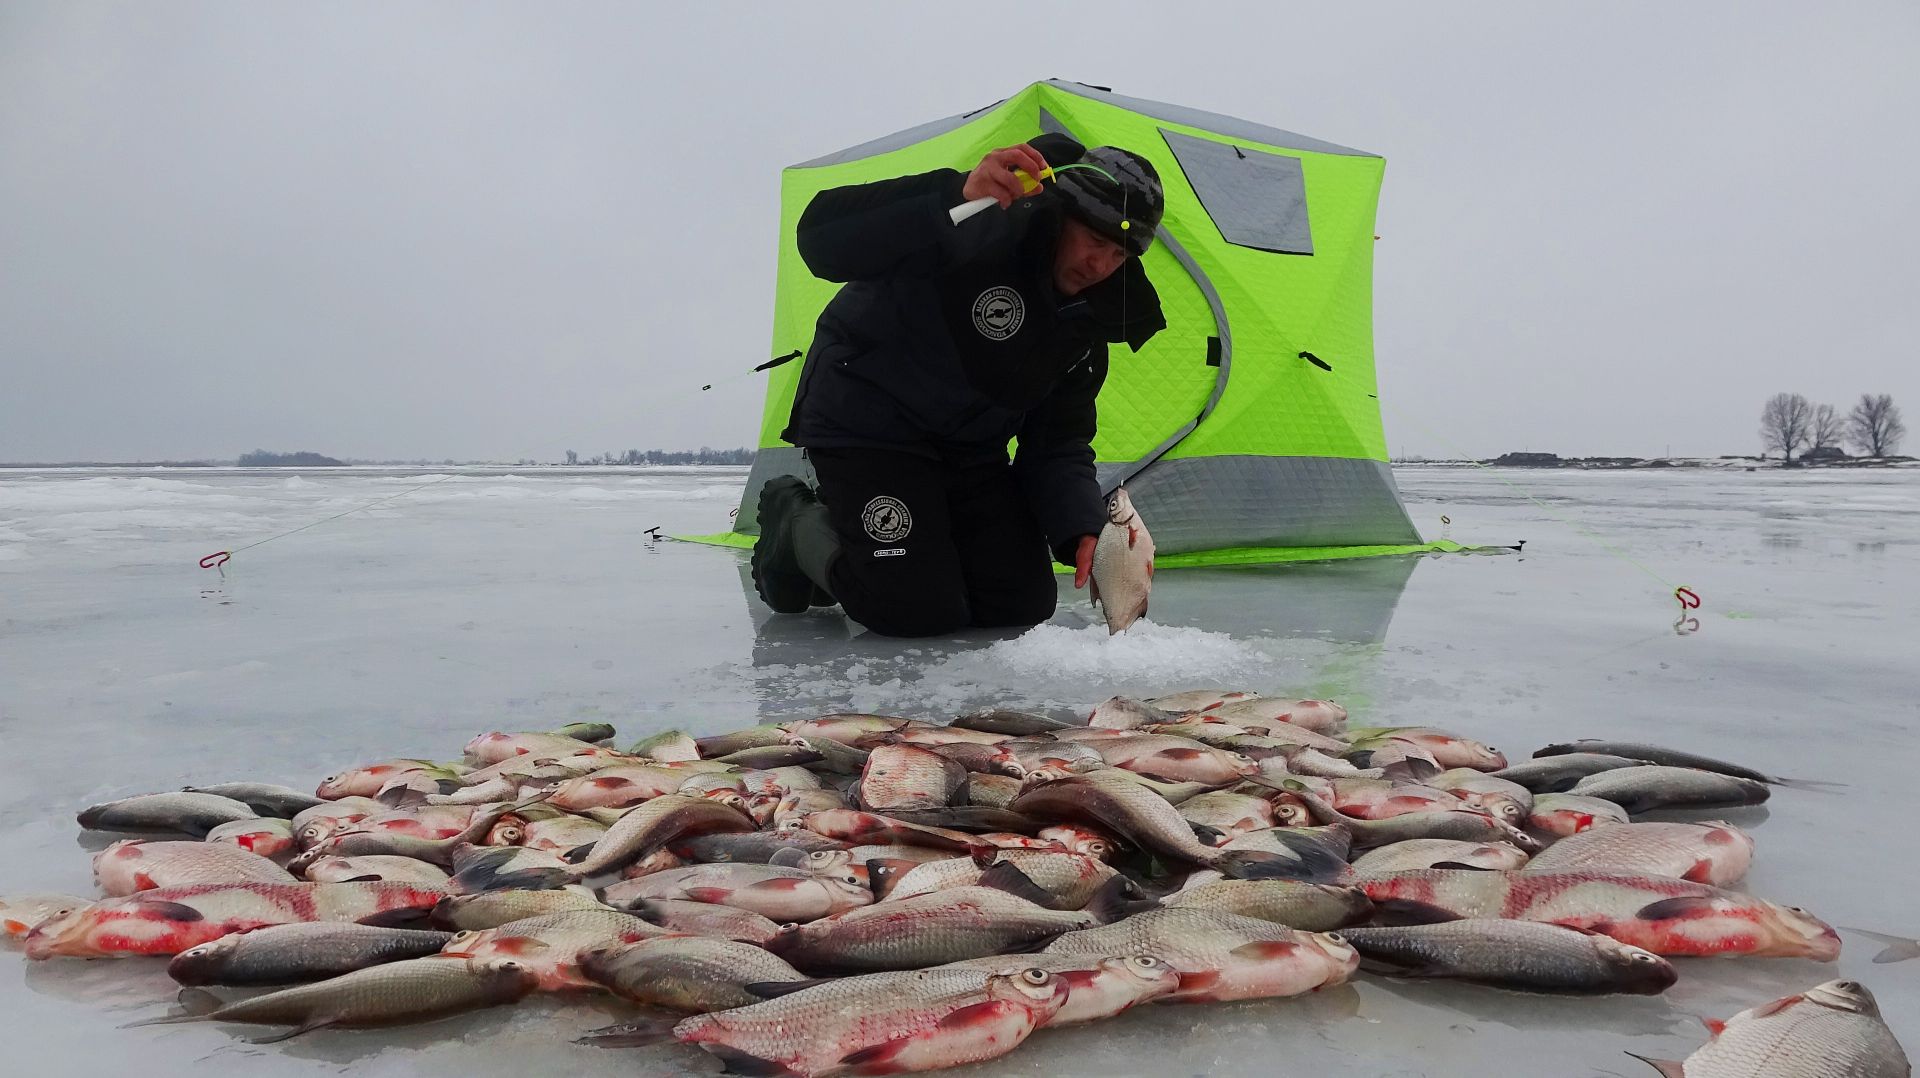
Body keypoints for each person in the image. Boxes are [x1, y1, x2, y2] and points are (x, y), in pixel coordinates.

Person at [749, 135, 1165, 637]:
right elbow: (820, 239)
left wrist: (1081, 527)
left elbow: (1058, 443)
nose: (1101, 265)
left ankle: (890, 542)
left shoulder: (1087, 324)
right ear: (1061, 215)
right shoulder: (973, 223)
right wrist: (952, 194)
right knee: (913, 607)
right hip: (866, 428)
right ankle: (795, 523)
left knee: (1020, 605)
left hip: (969, 452)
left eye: (1119, 254)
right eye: (1095, 241)